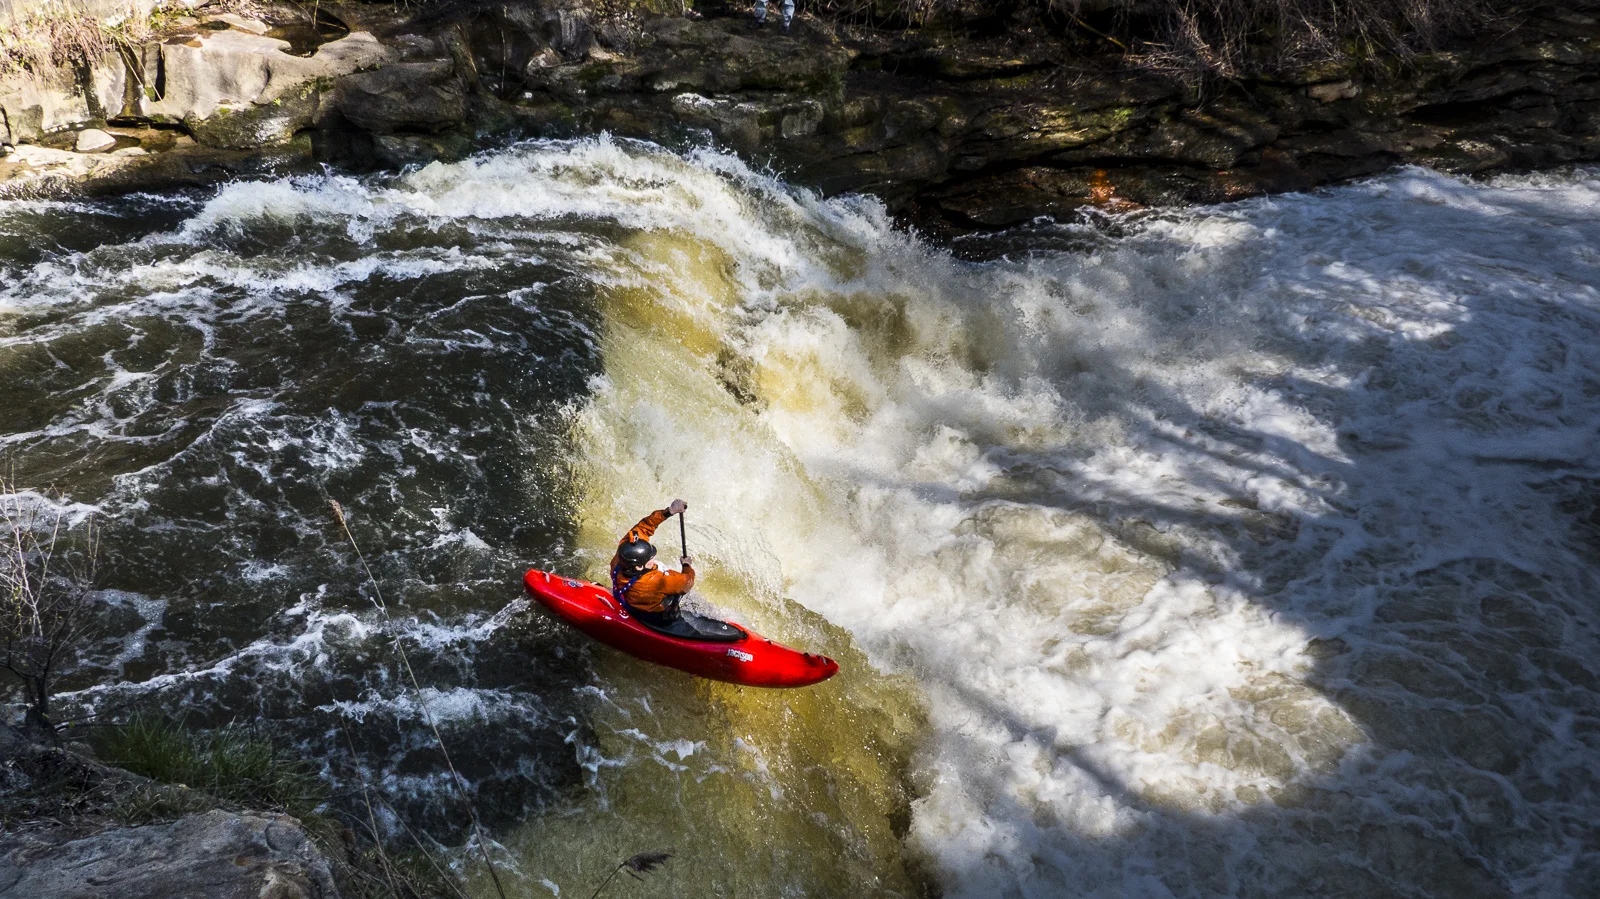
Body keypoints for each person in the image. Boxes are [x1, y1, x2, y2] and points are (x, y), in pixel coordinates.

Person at [611, 499, 695, 626]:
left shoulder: (622, 554)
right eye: (650, 558)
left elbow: (643, 527)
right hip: (653, 616)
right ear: (639, 567)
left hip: (629, 598)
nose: (653, 558)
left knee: (659, 567)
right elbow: (686, 582)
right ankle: (672, 614)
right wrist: (686, 565)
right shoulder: (657, 581)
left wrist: (669, 511)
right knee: (677, 591)